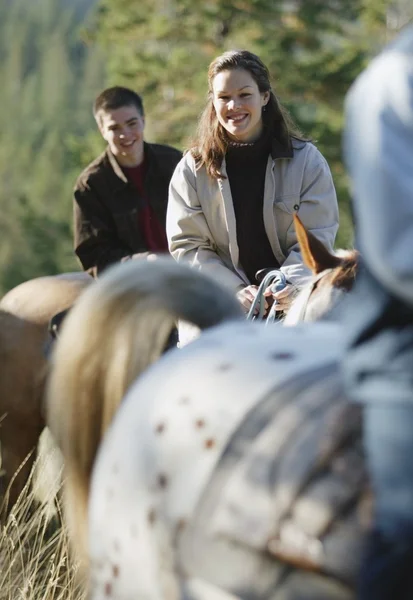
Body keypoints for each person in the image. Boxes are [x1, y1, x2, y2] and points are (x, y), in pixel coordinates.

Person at [167, 50, 339, 315]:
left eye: (244, 95)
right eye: (224, 97)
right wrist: (232, 290)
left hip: (293, 301)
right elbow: (187, 246)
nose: (234, 106)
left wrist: (287, 285)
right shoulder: (192, 169)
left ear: (265, 97)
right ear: (213, 102)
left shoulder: (307, 162)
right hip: (218, 303)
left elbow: (318, 234)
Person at [339, 25, 413, 599]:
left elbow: (312, 223)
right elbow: (400, 255)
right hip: (406, 357)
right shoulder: (396, 83)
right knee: (404, 535)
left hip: (295, 262)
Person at [73, 86, 182, 277]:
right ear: (102, 130)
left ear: (143, 120)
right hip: (133, 283)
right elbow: (94, 256)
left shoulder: (175, 162)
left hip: (190, 271)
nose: (125, 134)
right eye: (114, 128)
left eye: (132, 123)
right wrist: (142, 262)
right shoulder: (90, 185)